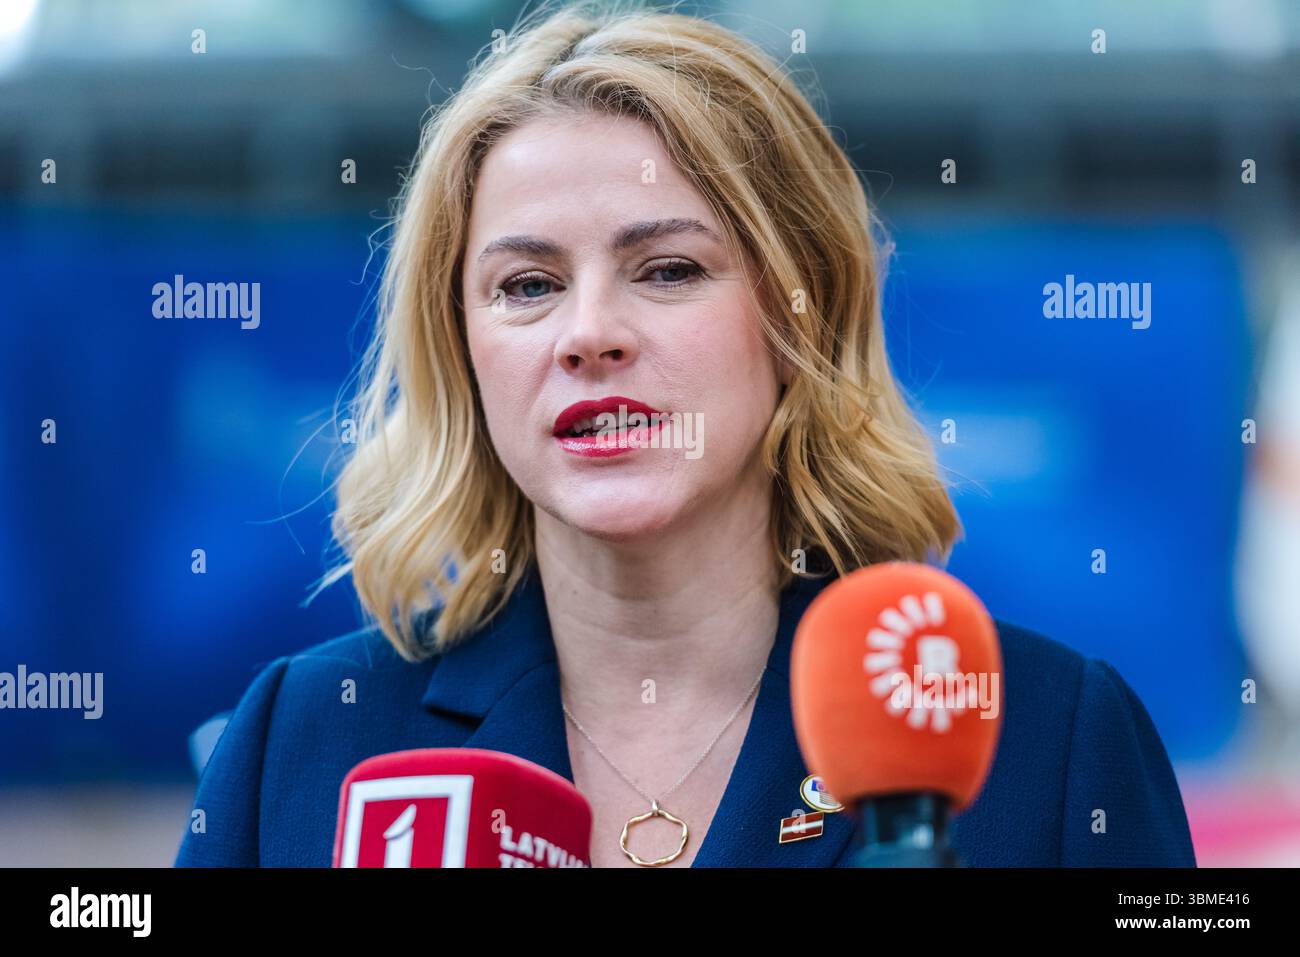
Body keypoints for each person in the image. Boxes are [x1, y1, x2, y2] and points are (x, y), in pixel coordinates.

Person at [175, 1, 1195, 868]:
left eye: (666, 270)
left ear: (798, 316)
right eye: (526, 286)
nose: (588, 335)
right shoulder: (300, 745)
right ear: (463, 347)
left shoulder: (1055, 739)